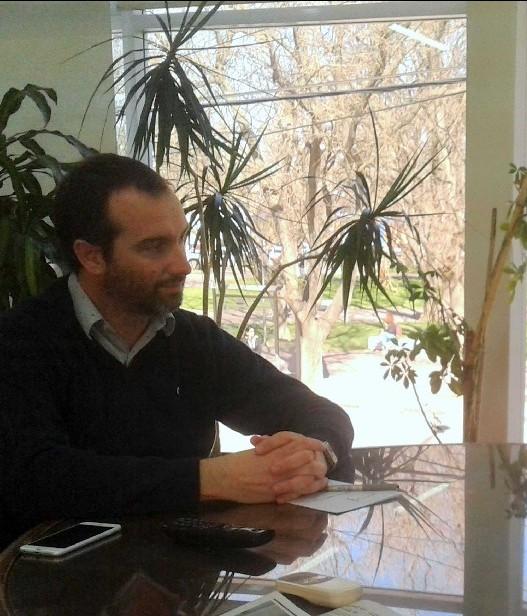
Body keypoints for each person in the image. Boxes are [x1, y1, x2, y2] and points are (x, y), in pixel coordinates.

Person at [0, 154, 354, 548]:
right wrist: (210, 479)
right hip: (48, 576)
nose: (183, 265)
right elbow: (35, 478)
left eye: (181, 240)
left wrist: (315, 454)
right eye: (154, 247)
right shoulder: (21, 342)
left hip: (183, 571)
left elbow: (320, 413)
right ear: (91, 256)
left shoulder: (194, 341)